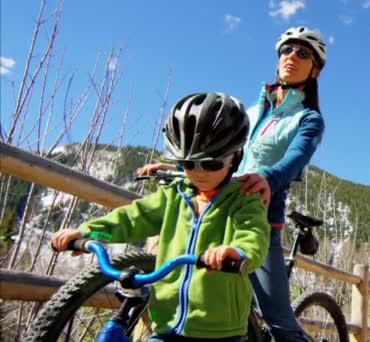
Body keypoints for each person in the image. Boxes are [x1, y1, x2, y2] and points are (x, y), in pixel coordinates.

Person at [137, 26, 326, 341]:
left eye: (303, 53)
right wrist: (179, 163)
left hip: (259, 218)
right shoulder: (251, 113)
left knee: (277, 320)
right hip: (216, 208)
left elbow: (295, 158)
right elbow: (219, 150)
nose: (291, 57)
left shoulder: (308, 119)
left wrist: (268, 177)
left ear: (315, 69)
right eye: (286, 50)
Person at [52, 92, 270, 341]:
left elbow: (254, 234)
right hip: (166, 325)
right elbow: (133, 217)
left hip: (220, 331)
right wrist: (88, 232)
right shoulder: (174, 196)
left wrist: (238, 252)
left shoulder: (244, 199)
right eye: (188, 163)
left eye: (211, 163)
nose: (199, 173)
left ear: (236, 156)